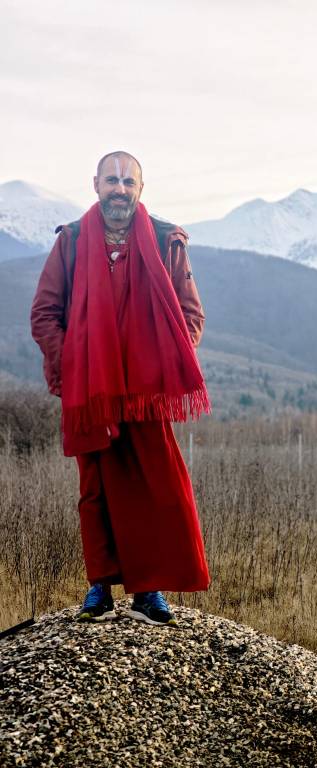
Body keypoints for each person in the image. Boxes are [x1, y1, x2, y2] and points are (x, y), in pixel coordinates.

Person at [29, 151, 211, 626]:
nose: (120, 189)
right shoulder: (70, 242)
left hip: (147, 395)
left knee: (158, 489)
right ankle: (100, 585)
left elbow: (190, 316)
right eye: (111, 180)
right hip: (89, 392)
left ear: (141, 189)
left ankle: (149, 589)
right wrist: (72, 368)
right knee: (96, 490)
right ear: (95, 185)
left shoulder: (165, 241)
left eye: (128, 182)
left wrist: (164, 364)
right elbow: (44, 313)